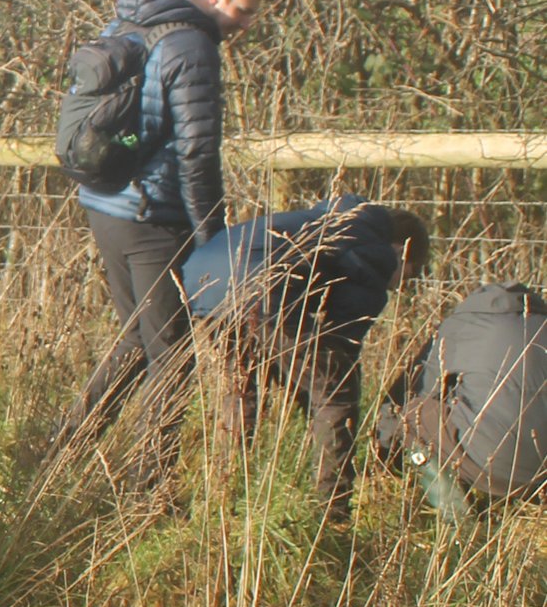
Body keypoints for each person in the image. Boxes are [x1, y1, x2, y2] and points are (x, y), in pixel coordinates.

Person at [64, 0, 280, 473]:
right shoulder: (194, 46)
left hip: (104, 204)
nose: (246, 26)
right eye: (244, 12)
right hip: (153, 216)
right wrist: (212, 240)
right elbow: (197, 152)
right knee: (172, 353)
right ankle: (149, 485)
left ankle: (62, 451)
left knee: (139, 339)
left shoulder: (133, 20)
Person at [180, 195, 428, 525]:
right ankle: (333, 512)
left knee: (241, 390)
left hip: (204, 285)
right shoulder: (376, 249)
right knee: (337, 396)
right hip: (261, 287)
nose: (400, 287)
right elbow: (344, 341)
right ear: (401, 251)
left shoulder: (325, 222)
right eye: (407, 277)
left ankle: (227, 495)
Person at [373, 282, 547, 525]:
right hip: (542, 479)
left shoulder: (462, 325)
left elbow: (417, 387)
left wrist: (382, 452)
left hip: (490, 467)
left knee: (412, 414)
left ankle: (456, 519)